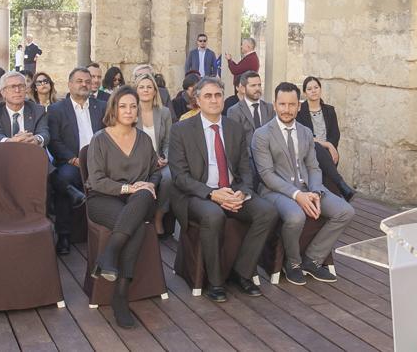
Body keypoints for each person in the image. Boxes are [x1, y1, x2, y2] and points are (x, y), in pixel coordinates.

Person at [168, 77, 278, 303]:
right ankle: (216, 282)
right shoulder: (181, 130)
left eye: (218, 95)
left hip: (232, 190)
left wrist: (243, 192)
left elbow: (246, 169)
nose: (214, 100)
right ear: (197, 100)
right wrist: (212, 194)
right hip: (197, 194)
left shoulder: (234, 128)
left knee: (267, 212)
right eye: (207, 95)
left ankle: (243, 272)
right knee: (214, 214)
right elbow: (179, 177)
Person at [252, 81, 353, 286]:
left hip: (308, 187)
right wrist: (297, 195)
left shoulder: (306, 132)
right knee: (296, 215)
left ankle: (313, 259)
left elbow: (314, 167)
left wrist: (315, 191)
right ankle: (293, 263)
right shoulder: (261, 134)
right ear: (275, 105)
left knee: (346, 211)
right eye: (282, 104)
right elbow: (267, 175)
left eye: (291, 105)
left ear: (299, 106)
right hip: (275, 190)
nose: (287, 110)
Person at [85, 86, 161, 329]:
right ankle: (120, 296)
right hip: (102, 199)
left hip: (137, 201)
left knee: (142, 197)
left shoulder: (144, 139)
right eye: (123, 106)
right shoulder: (99, 139)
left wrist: (149, 184)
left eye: (132, 106)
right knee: (135, 227)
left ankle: (109, 256)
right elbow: (96, 181)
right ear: (114, 109)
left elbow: (155, 171)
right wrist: (129, 188)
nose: (128, 111)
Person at [47, 67, 103, 255]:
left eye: (87, 81)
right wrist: (73, 158)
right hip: (72, 161)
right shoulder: (56, 110)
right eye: (79, 81)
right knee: (63, 179)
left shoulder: (101, 106)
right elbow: (54, 141)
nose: (84, 84)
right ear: (70, 84)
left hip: (99, 162)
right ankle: (63, 235)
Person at [296, 76, 355, 201]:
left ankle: (332, 197)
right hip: (308, 151)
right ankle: (340, 186)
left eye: (316, 87)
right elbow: (305, 136)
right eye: (309, 89)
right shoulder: (300, 111)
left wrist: (331, 146)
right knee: (316, 148)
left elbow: (335, 134)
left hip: (328, 153)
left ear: (320, 89)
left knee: (325, 159)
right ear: (305, 93)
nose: (313, 91)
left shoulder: (329, 110)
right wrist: (327, 145)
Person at [135, 73, 174, 234]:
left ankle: (158, 217)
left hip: (160, 161)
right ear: (136, 91)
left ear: (155, 91)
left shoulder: (164, 112)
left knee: (169, 178)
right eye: (141, 87)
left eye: (149, 87)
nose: (145, 90)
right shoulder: (131, 112)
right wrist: (151, 160)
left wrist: (165, 157)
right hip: (138, 162)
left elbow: (168, 141)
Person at [0, 71, 49, 147]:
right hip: (4, 154)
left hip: (31, 153)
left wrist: (36, 139)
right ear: (3, 92)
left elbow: (44, 133)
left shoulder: (38, 110)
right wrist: (10, 141)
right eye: (12, 87)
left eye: (21, 86)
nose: (17, 91)